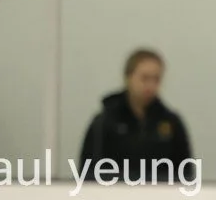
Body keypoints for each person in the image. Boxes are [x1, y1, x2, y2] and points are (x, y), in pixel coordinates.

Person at [77, 48, 192, 184]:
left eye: (156, 79)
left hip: (160, 194)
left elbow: (185, 173)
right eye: (145, 78)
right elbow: (88, 173)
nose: (150, 85)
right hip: (113, 194)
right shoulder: (104, 122)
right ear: (128, 78)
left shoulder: (171, 123)